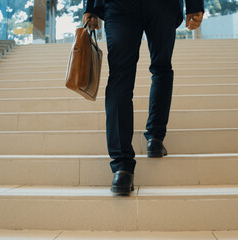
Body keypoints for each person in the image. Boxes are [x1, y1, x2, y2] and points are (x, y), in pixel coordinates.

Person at [83, 0, 204, 195]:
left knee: (120, 78)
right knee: (161, 68)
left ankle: (122, 168)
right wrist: (194, 5)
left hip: (122, 7)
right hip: (161, 6)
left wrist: (90, 7)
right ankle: (155, 138)